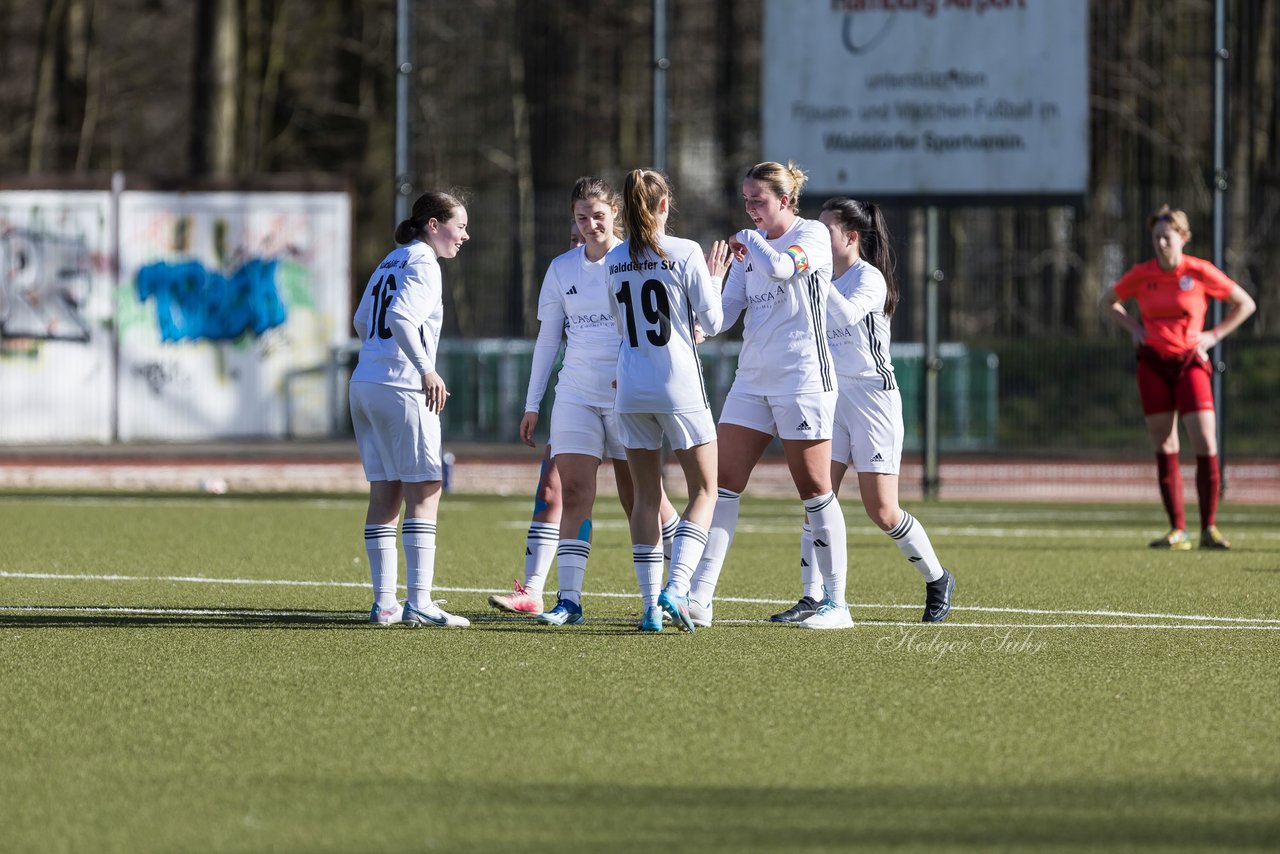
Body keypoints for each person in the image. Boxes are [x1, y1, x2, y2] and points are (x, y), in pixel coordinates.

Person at [685, 161, 853, 630]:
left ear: (785, 200)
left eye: (759, 200)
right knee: (722, 485)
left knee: (815, 491)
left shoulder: (812, 236)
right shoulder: (750, 244)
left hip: (803, 379)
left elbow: (780, 268)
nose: (751, 208)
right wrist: (706, 301)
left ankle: (836, 604)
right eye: (746, 200)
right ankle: (700, 597)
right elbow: (724, 315)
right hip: (752, 380)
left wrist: (748, 239)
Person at [772, 197, 955, 626]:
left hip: (873, 401)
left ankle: (937, 578)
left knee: (882, 510)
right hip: (832, 397)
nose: (817, 238)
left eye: (827, 231)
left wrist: (815, 279)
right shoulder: (823, 276)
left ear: (851, 237)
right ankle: (812, 597)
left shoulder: (867, 278)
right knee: (816, 497)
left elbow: (850, 314)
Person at [515, 176, 680, 626]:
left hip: (628, 394)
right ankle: (568, 601)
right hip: (574, 394)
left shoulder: (638, 260)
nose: (590, 225)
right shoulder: (560, 268)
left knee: (642, 499)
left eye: (599, 216)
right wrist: (533, 404)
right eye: (582, 218)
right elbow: (548, 341)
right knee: (573, 492)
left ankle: (681, 588)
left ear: (616, 216)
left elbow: (666, 322)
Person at [605, 168, 730, 632]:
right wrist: (715, 279)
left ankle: (648, 608)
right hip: (677, 386)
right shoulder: (686, 251)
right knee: (705, 491)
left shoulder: (614, 259)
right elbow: (713, 322)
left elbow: (620, 327)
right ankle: (677, 589)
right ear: (664, 206)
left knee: (645, 495)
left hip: (631, 385)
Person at [349, 189, 471, 628]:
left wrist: (379, 357)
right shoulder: (424, 262)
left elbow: (363, 320)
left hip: (365, 382)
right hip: (401, 386)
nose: (465, 235)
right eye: (459, 226)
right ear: (433, 225)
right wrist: (426, 370)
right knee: (426, 488)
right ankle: (419, 601)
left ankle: (385, 604)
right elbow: (401, 318)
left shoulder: (391, 259)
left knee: (385, 492)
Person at [1103, 205, 1256, 550]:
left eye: (1167, 237)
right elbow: (1107, 301)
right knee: (1166, 444)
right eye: (1156, 237)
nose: (1161, 243)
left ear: (1183, 238)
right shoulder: (1142, 274)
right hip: (1153, 364)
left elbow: (1245, 303)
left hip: (1190, 363)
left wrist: (1213, 336)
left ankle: (1210, 528)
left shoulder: (1199, 271)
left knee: (1205, 441)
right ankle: (1178, 530)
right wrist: (1134, 328)